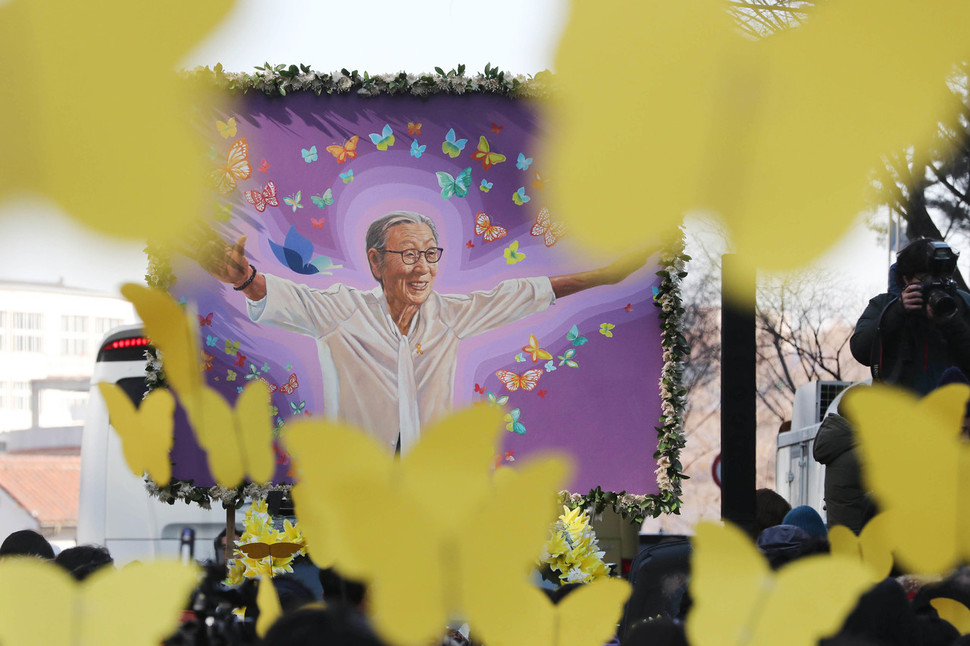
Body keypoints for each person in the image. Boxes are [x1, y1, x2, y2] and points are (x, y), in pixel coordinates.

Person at [203, 210, 646, 453]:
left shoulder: (449, 315)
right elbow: (284, 296)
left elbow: (523, 294)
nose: (424, 268)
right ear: (376, 262)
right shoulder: (341, 310)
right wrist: (244, 280)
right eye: (410, 254)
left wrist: (604, 276)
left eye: (431, 254)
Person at [850, 238, 970, 395]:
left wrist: (952, 322)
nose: (937, 285)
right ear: (906, 279)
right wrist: (897, 311)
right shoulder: (884, 305)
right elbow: (861, 351)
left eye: (943, 278)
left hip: (954, 413)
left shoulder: (963, 304)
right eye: (927, 278)